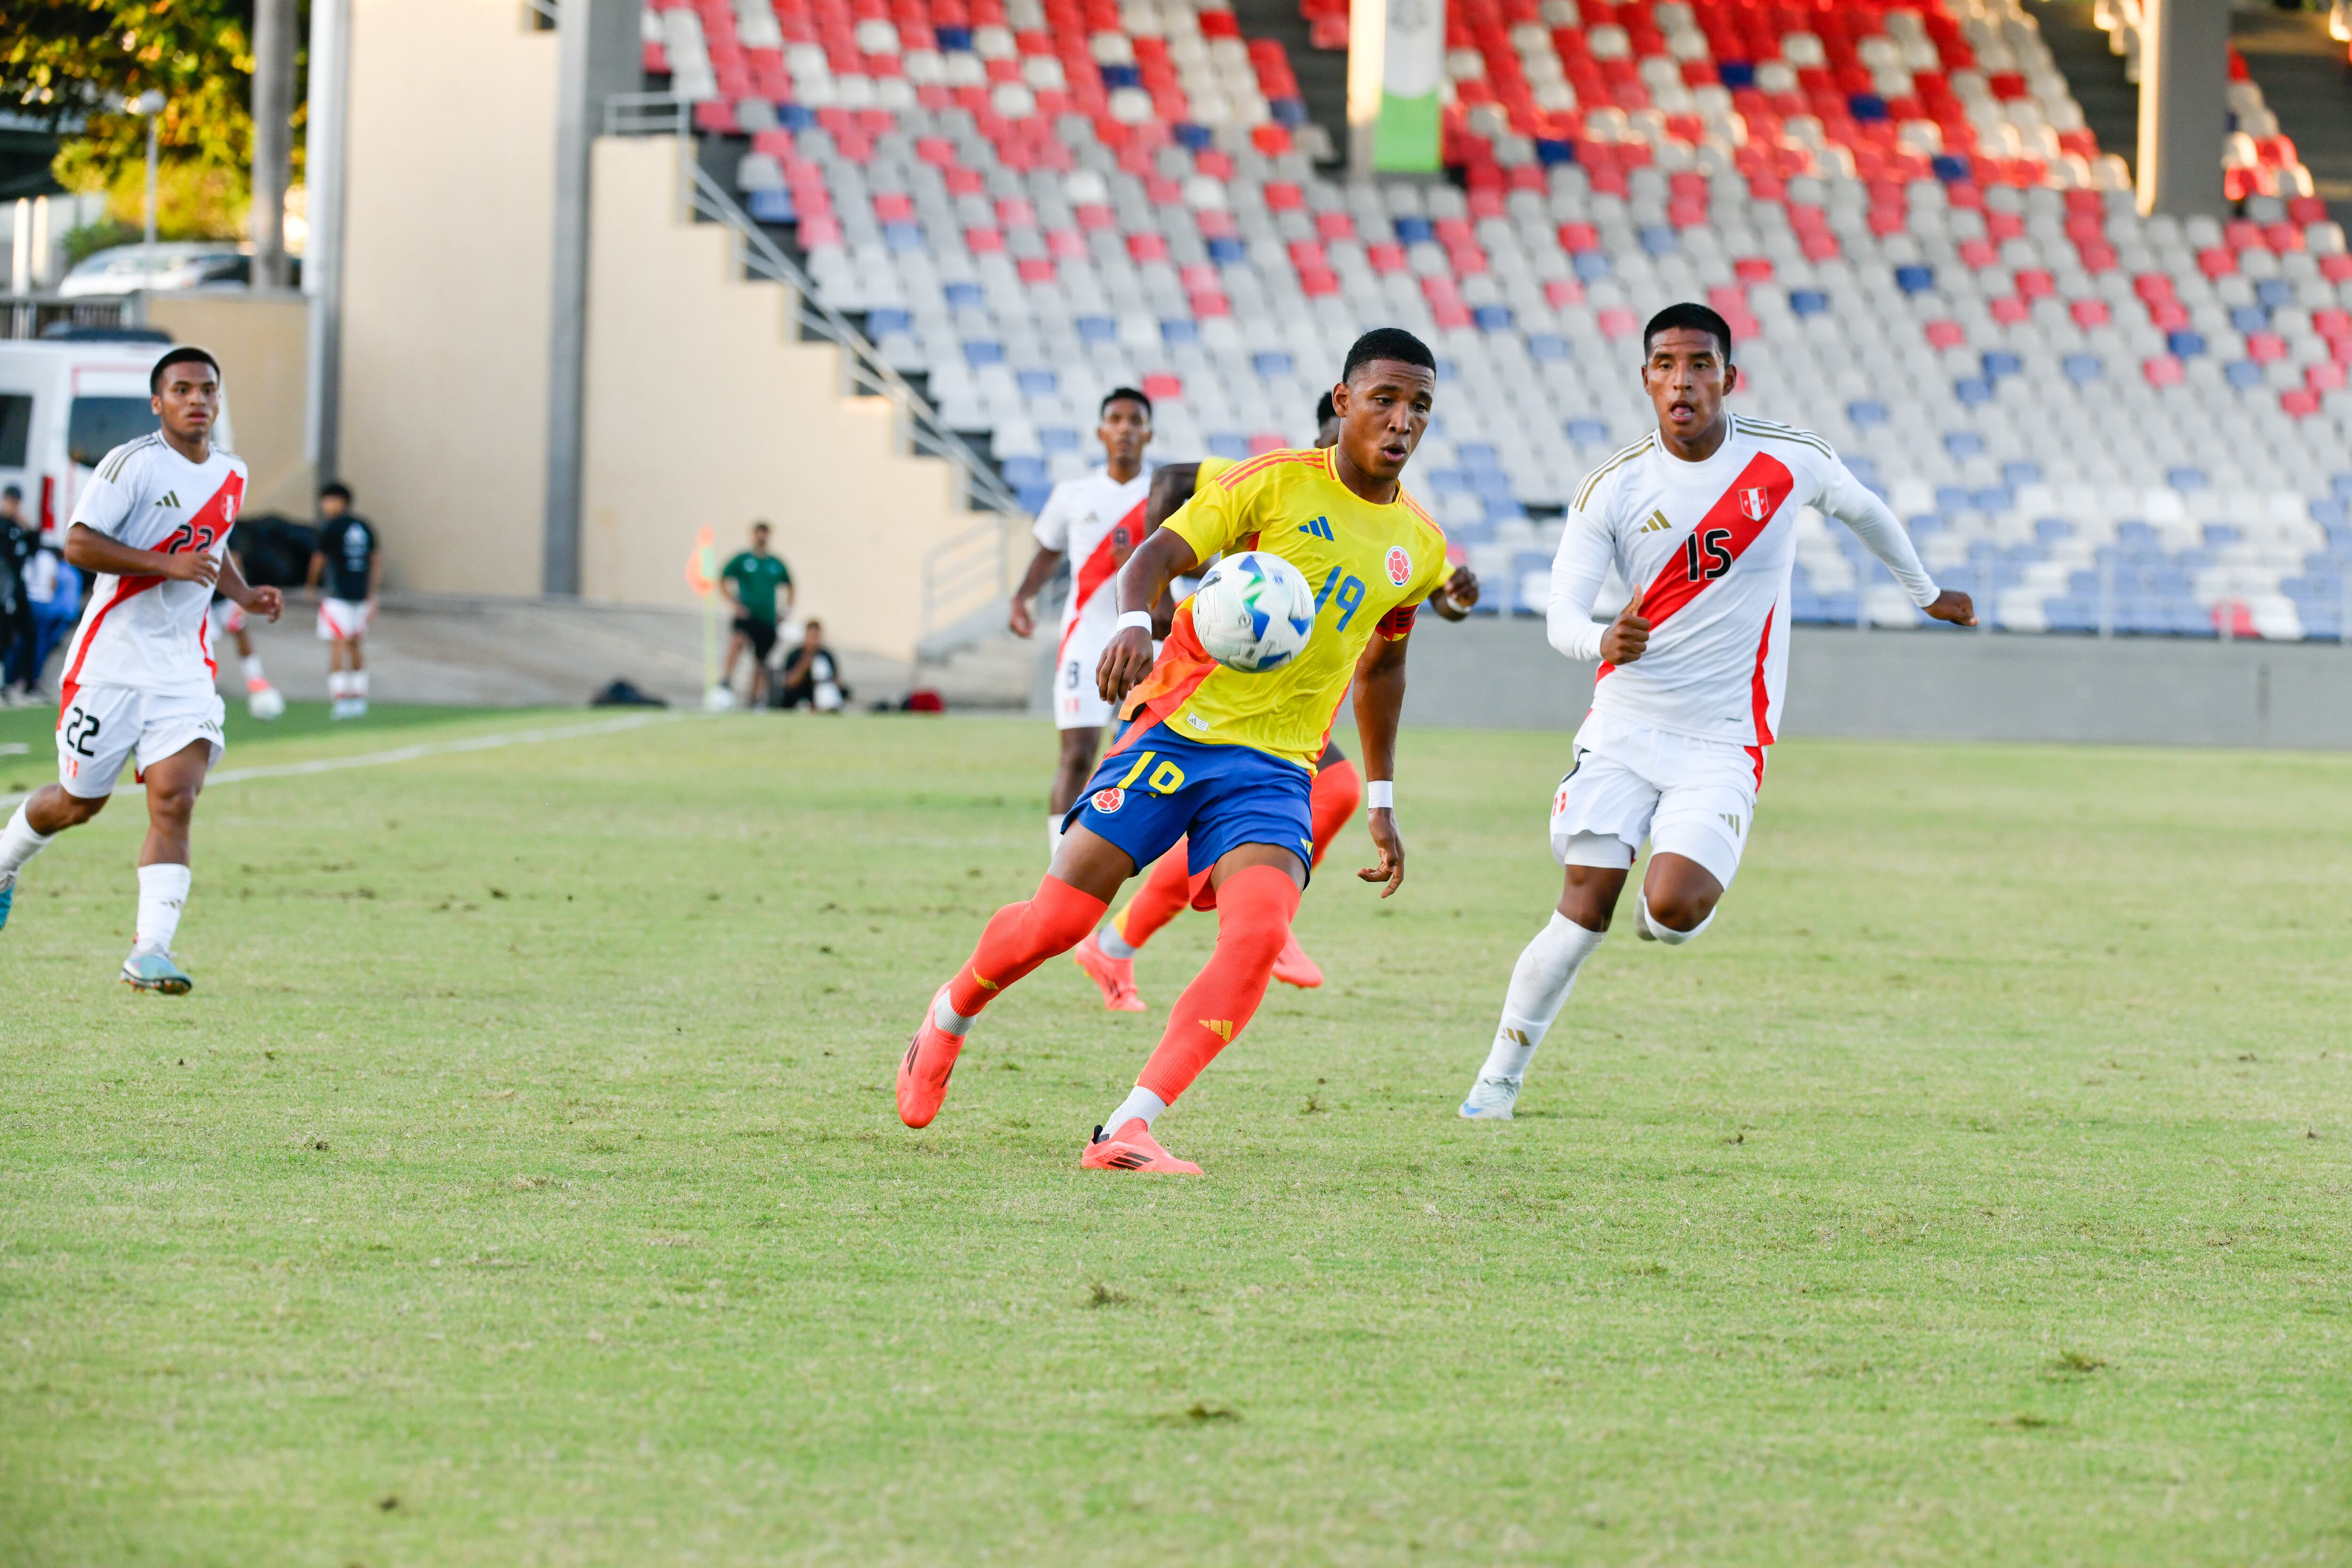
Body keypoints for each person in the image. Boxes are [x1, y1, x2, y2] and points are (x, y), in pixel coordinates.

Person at [896, 328, 1452, 1175]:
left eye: (1419, 405)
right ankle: (950, 1011)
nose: (1402, 420)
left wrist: (1378, 798)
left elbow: (1387, 665)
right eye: (1384, 399)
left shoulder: (1421, 545)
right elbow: (1158, 553)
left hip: (1276, 769)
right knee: (1059, 922)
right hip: (1179, 732)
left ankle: (1130, 1125)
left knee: (1258, 937)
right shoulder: (1270, 482)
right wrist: (1131, 622)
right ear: (1342, 403)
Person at [1455, 303, 1974, 1121]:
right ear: (1646, 379)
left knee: (1675, 905)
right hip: (1626, 728)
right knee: (1582, 908)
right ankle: (1499, 1077)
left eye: (1701, 364)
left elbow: (1865, 507)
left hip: (1725, 737)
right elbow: (1560, 614)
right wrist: (1601, 640)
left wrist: (1928, 592)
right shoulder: (1614, 489)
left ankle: (1662, 916)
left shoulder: (1785, 461)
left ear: (1729, 376)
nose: (1684, 381)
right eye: (1667, 365)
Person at [1071, 392, 1485, 1009]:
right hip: (1213, 688)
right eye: (1330, 436)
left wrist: (1454, 599)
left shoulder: (1398, 527)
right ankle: (1183, 928)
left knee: (1330, 792)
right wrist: (1160, 597)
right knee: (1306, 797)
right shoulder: (1280, 477)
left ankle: (1146, 937)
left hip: (1288, 711)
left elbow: (1424, 602)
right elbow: (1171, 479)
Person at [0, 344, 283, 992]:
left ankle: (150, 949)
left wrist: (240, 593)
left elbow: (211, 544)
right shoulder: (130, 464)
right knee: (78, 804)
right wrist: (165, 566)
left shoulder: (232, 473)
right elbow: (79, 543)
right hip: (110, 666)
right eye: (181, 390)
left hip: (182, 668)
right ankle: (3, 863)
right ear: (158, 403)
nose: (197, 400)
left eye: (207, 389)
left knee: (175, 798)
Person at [1008, 387, 1156, 856]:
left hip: (1143, 640)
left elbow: (1193, 561)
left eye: (1135, 420)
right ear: (1100, 431)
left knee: (1140, 760)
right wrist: (1021, 599)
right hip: (1084, 640)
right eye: (1115, 419)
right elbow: (1046, 555)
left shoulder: (1162, 493)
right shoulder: (1072, 494)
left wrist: (1138, 563)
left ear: (1148, 433)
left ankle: (1119, 855)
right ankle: (1059, 864)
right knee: (1076, 757)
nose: (1125, 429)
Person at [306, 483, 379, 719]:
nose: (324, 506)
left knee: (338, 644)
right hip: (360, 596)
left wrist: (310, 585)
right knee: (355, 645)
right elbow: (376, 560)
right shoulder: (365, 526)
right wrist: (372, 593)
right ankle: (359, 699)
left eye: (327, 500)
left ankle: (340, 700)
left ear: (340, 501)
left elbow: (319, 559)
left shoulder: (332, 528)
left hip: (338, 597)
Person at [719, 522, 792, 708]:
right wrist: (735, 605)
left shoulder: (775, 563)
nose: (762, 537)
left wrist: (786, 611)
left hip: (767, 619)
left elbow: (790, 586)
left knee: (761, 660)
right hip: (747, 616)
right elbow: (723, 579)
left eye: (765, 534)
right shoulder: (743, 560)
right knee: (739, 640)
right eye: (758, 534)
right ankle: (726, 682)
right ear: (753, 535)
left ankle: (754, 698)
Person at [208, 554, 284, 719]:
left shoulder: (227, 530)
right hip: (201, 598)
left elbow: (234, 559)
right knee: (205, 643)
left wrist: (242, 594)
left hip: (225, 596)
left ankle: (255, 679)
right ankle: (207, 683)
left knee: (240, 631)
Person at [0, 485, 34, 705]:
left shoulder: (18, 526)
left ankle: (25, 684)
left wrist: (28, 527)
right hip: (4, 589)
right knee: (4, 636)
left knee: (29, 634)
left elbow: (34, 548)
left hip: (17, 589)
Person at [779, 619, 848, 710]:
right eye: (812, 636)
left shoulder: (826, 655)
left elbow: (836, 679)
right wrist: (805, 664)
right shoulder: (795, 655)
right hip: (801, 694)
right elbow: (789, 682)